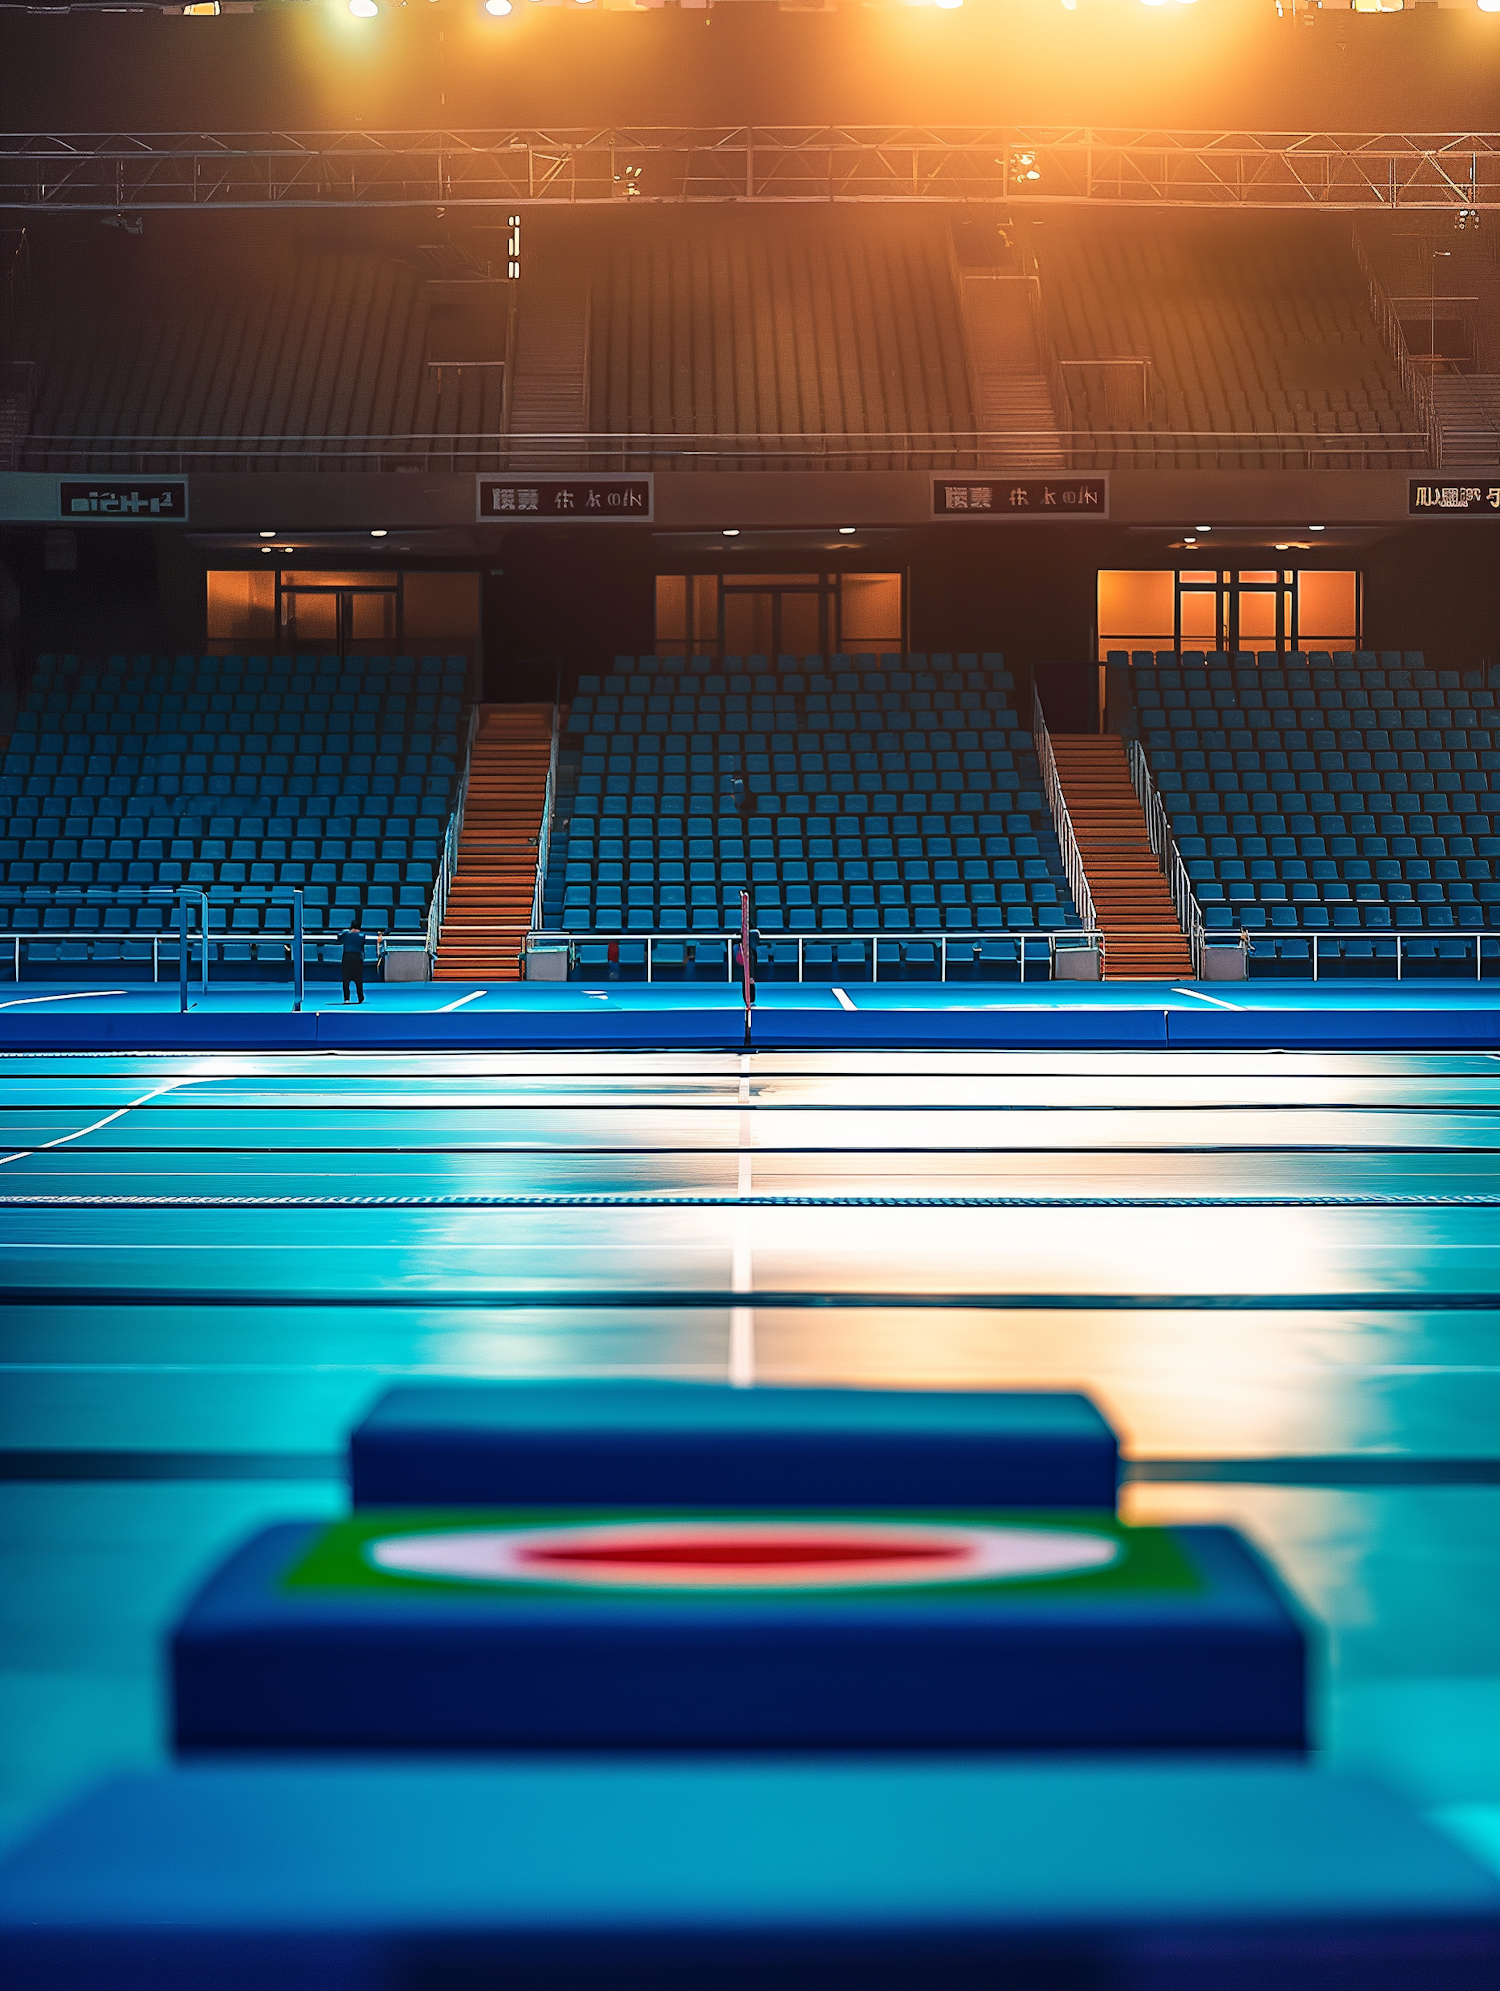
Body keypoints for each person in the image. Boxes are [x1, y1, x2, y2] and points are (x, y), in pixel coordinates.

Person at [340, 914, 367, 1005]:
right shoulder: (362, 936)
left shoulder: (345, 934)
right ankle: (360, 997)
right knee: (358, 978)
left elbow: (338, 939)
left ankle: (346, 999)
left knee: (346, 978)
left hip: (347, 957)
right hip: (357, 958)